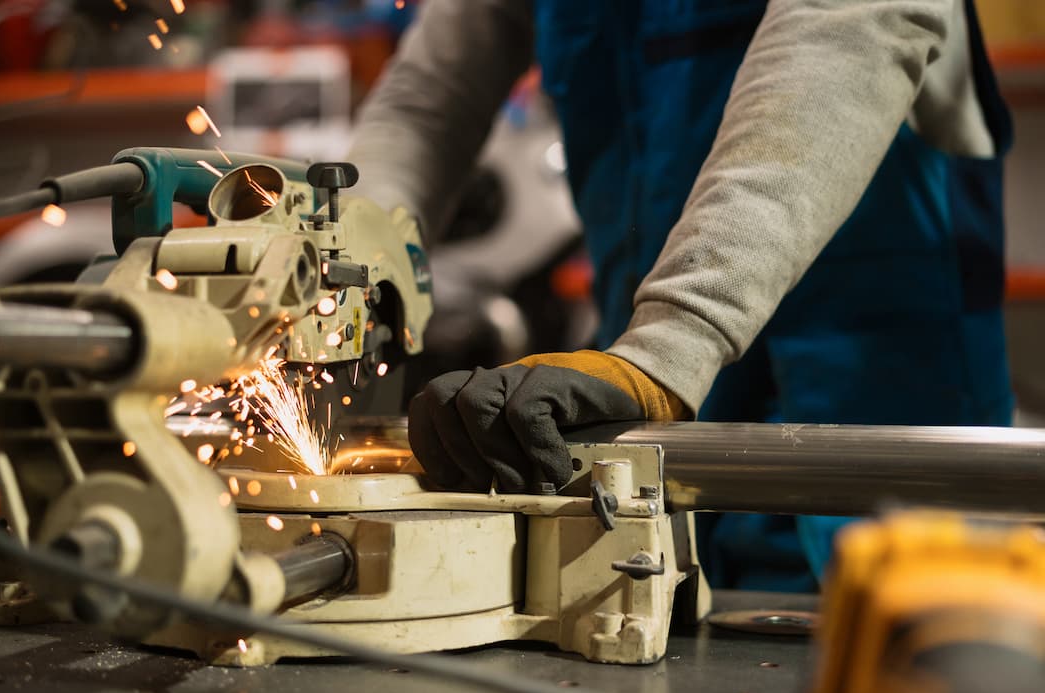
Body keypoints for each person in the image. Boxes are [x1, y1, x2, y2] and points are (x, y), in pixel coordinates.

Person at [346, 0, 1013, 591]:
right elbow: (427, 100)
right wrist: (344, 264)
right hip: (650, 406)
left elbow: (848, 30)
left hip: (879, 409)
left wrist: (672, 343)